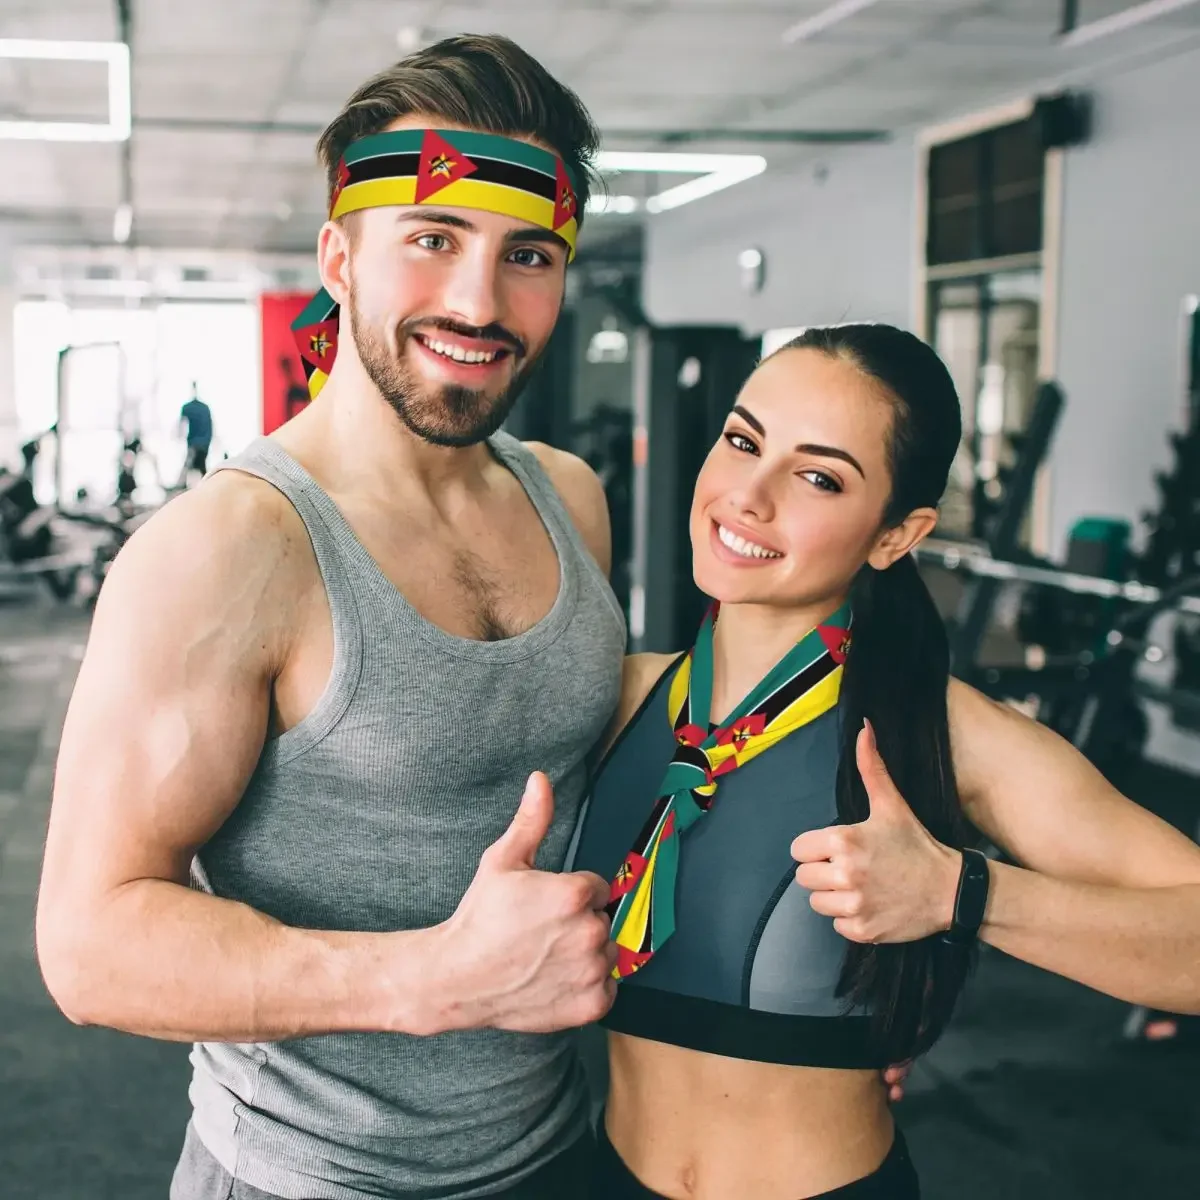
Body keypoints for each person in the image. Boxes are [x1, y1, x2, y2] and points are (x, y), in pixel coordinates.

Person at [36, 36, 628, 1200]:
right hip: (311, 1180)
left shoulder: (569, 498)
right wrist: (435, 981)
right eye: (432, 239)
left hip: (563, 1149)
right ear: (338, 258)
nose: (478, 299)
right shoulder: (228, 550)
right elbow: (89, 945)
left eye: (529, 255)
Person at [569, 323, 1200, 1199]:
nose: (748, 496)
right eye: (744, 441)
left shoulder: (940, 731)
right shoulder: (619, 700)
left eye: (819, 476)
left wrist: (961, 893)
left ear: (897, 535)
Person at [179, 382, 214, 484]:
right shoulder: (204, 408)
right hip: (203, 442)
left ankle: (184, 489)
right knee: (201, 468)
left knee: (191, 467)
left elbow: (181, 426)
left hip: (195, 443)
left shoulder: (188, 407)